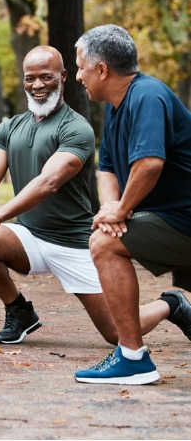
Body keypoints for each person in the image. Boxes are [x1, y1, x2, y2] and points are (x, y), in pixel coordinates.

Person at [0, 45, 191, 352]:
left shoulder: (77, 128)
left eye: (46, 76)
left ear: (64, 76)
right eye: (30, 78)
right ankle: (19, 310)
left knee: (115, 332)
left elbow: (49, 181)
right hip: (29, 237)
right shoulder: (10, 127)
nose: (38, 84)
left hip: (74, 242)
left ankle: (171, 304)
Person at [73, 25, 191, 385]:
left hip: (183, 220)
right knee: (107, 235)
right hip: (173, 219)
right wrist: (111, 210)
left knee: (104, 244)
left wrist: (121, 211)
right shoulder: (117, 106)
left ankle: (132, 357)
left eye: (81, 67)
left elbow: (149, 163)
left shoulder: (147, 96)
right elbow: (106, 166)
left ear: (102, 70)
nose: (78, 76)